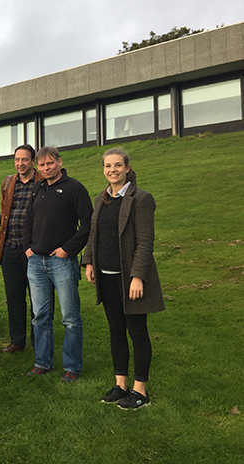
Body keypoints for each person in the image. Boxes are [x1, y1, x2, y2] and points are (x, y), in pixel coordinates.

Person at [83, 149, 165, 409]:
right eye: (108, 166)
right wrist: (88, 261)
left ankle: (140, 391)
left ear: (127, 168)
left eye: (118, 165)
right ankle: (121, 385)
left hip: (129, 280)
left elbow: (145, 242)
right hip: (106, 278)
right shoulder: (102, 199)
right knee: (116, 330)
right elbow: (93, 233)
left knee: (137, 332)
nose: (112, 170)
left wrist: (137, 276)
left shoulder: (141, 199)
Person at [23, 147, 92, 382]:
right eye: (41, 165)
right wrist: (28, 247)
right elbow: (27, 220)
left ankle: (72, 367)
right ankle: (43, 362)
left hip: (62, 261)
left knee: (70, 317)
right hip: (36, 262)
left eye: (49, 164)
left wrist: (68, 249)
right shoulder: (37, 188)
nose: (45, 168)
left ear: (59, 162)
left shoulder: (74, 188)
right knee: (39, 315)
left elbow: (88, 223)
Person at [0, 145, 43, 353]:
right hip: (10, 247)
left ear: (33, 161)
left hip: (34, 250)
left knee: (38, 299)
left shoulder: (42, 182)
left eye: (24, 160)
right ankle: (17, 340)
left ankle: (38, 341)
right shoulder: (8, 182)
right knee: (14, 297)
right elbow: (5, 211)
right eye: (17, 159)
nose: (20, 163)